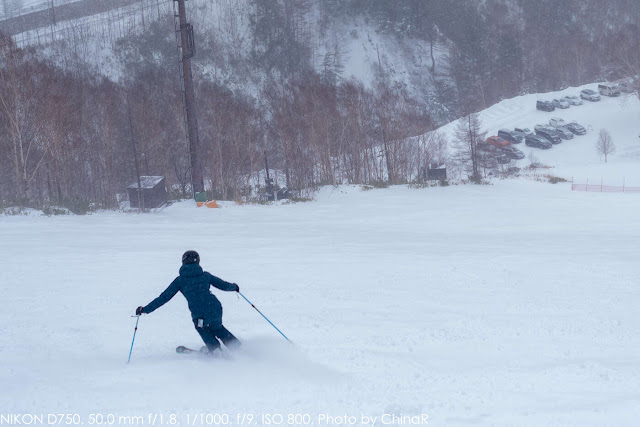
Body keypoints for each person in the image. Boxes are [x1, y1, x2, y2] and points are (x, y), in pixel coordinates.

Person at [135, 250, 240, 353]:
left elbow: (163, 298)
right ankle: (237, 347)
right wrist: (234, 287)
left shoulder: (180, 280)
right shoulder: (205, 276)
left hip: (199, 312)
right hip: (215, 307)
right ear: (197, 261)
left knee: (202, 328)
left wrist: (145, 309)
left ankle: (215, 350)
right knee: (217, 328)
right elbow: (223, 285)